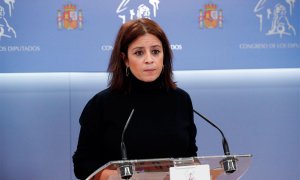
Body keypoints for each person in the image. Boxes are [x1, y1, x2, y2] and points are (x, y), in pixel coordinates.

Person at [72, 18, 198, 179]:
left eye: (155, 51)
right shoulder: (101, 104)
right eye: (139, 53)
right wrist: (117, 177)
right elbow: (82, 165)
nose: (149, 59)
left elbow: (190, 157)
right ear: (125, 59)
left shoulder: (181, 100)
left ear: (164, 56)